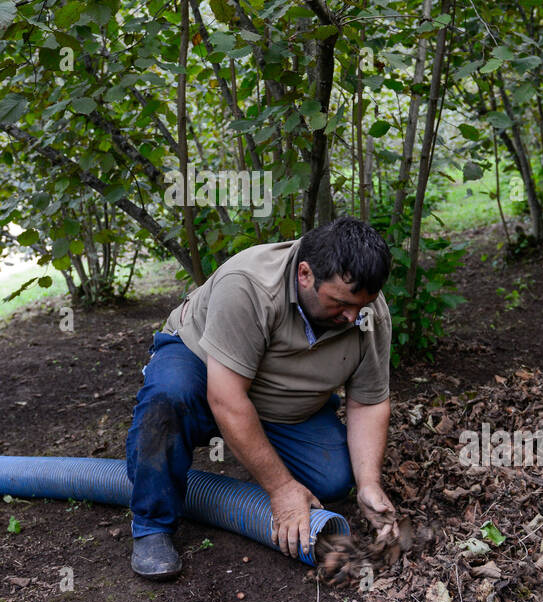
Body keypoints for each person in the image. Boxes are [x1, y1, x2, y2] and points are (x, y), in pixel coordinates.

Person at [125, 216, 399, 580]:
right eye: (340, 303)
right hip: (205, 370)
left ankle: (253, 447)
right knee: (167, 400)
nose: (352, 317)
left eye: (361, 305)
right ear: (305, 274)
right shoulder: (248, 285)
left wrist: (369, 483)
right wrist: (281, 489)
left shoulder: (367, 313)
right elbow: (226, 399)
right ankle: (151, 524)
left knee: (335, 478)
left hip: (278, 400)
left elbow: (367, 402)